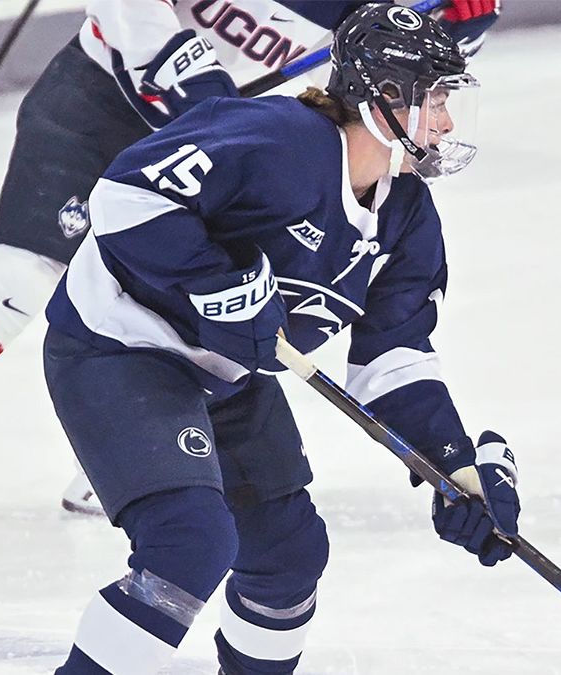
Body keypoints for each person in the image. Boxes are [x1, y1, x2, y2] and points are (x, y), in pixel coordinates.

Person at [0, 0, 500, 522]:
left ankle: (130, 450)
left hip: (235, 140)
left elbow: (395, 81)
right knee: (28, 271)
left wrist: (462, 24)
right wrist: (188, 73)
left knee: (203, 304)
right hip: (105, 104)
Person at [42, 4, 520, 673]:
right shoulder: (275, 138)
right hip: (120, 348)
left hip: (225, 375)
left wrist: (455, 467)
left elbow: (394, 359)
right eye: (434, 98)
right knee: (190, 543)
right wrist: (219, 285)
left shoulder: (408, 220)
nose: (444, 121)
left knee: (288, 555)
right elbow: (126, 196)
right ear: (382, 98)